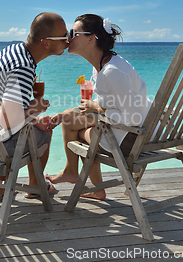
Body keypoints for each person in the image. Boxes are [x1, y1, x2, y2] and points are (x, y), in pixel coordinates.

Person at [46, 14, 152, 200]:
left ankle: (95, 187)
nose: (68, 37)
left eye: (74, 33)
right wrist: (70, 113)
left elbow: (133, 118)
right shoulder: (104, 65)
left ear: (91, 38)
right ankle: (72, 172)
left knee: (79, 134)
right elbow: (110, 105)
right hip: (136, 129)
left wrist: (96, 108)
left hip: (132, 138)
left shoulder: (111, 72)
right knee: (69, 120)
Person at [0, 12, 69, 202]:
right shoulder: (24, 67)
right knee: (46, 130)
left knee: (37, 124)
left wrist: (33, 119)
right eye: (64, 37)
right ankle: (35, 186)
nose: (68, 41)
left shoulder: (13, 51)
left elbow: (0, 110)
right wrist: (35, 108)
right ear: (46, 42)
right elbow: (8, 120)